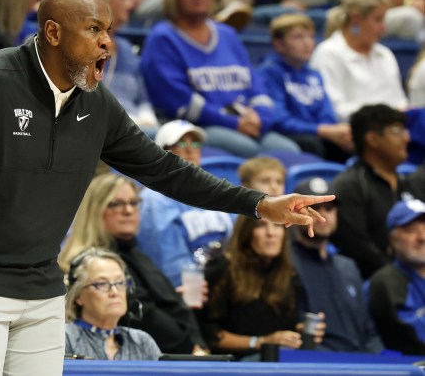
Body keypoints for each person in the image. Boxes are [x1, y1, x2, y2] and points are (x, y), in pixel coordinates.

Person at [0, 0, 334, 376]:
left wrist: (259, 203)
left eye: (109, 30)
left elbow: (165, 169)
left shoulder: (98, 104)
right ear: (53, 33)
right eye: (94, 29)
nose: (108, 42)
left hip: (41, 285)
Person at [140, 0, 301, 158]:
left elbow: (255, 85)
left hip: (245, 122)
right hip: (198, 127)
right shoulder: (163, 38)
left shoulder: (227, 34)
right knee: (249, 151)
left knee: (289, 151)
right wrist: (234, 123)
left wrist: (261, 117)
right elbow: (178, 100)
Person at [60, 173, 209, 355]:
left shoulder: (135, 253)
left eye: (133, 203)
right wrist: (191, 347)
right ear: (95, 210)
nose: (129, 211)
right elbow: (144, 314)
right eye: (116, 204)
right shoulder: (92, 261)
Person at [198, 215, 323, 359]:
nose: (270, 233)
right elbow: (210, 336)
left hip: (278, 361)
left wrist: (301, 332)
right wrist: (261, 342)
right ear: (246, 233)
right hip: (234, 363)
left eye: (277, 226)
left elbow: (288, 329)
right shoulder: (223, 268)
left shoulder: (290, 275)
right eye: (261, 225)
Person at [292, 177, 384, 353]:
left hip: (362, 362)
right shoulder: (286, 264)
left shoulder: (348, 266)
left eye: (329, 208)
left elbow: (368, 330)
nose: (324, 214)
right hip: (317, 363)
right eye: (315, 208)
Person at [137, 120, 233, 286]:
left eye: (195, 143)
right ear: (162, 152)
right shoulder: (154, 199)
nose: (190, 149)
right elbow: (170, 264)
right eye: (180, 143)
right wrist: (195, 293)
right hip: (192, 292)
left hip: (229, 283)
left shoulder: (216, 191)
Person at [331, 104, 416, 279]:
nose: (406, 138)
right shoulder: (350, 185)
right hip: (376, 283)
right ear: (372, 139)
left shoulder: (407, 183)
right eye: (396, 131)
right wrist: (403, 277)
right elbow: (357, 248)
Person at [258, 13, 353, 161]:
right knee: (314, 145)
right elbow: (278, 119)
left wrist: (333, 131)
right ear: (279, 45)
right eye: (298, 37)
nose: (308, 43)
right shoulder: (270, 72)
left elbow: (326, 112)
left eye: (310, 36)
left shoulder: (315, 74)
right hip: (288, 133)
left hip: (316, 132)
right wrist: (322, 130)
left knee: (351, 143)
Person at [310, 0, 409, 123]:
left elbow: (400, 101)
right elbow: (335, 110)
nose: (383, 28)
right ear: (355, 19)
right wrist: (384, 116)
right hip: (355, 132)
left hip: (394, 129)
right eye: (378, 19)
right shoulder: (328, 53)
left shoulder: (385, 54)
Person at [81, 0, 159, 137]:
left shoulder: (126, 49)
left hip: (138, 129)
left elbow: (142, 98)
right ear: (103, 2)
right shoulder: (79, 49)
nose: (130, 5)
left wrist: (148, 118)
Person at [64, 247, 162, 360]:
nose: (114, 292)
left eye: (120, 282)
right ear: (78, 296)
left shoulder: (142, 342)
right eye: (102, 284)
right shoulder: (64, 339)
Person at [367, 198, 425, 354]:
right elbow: (412, 337)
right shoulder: (386, 282)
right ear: (393, 239)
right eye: (412, 230)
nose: (422, 237)